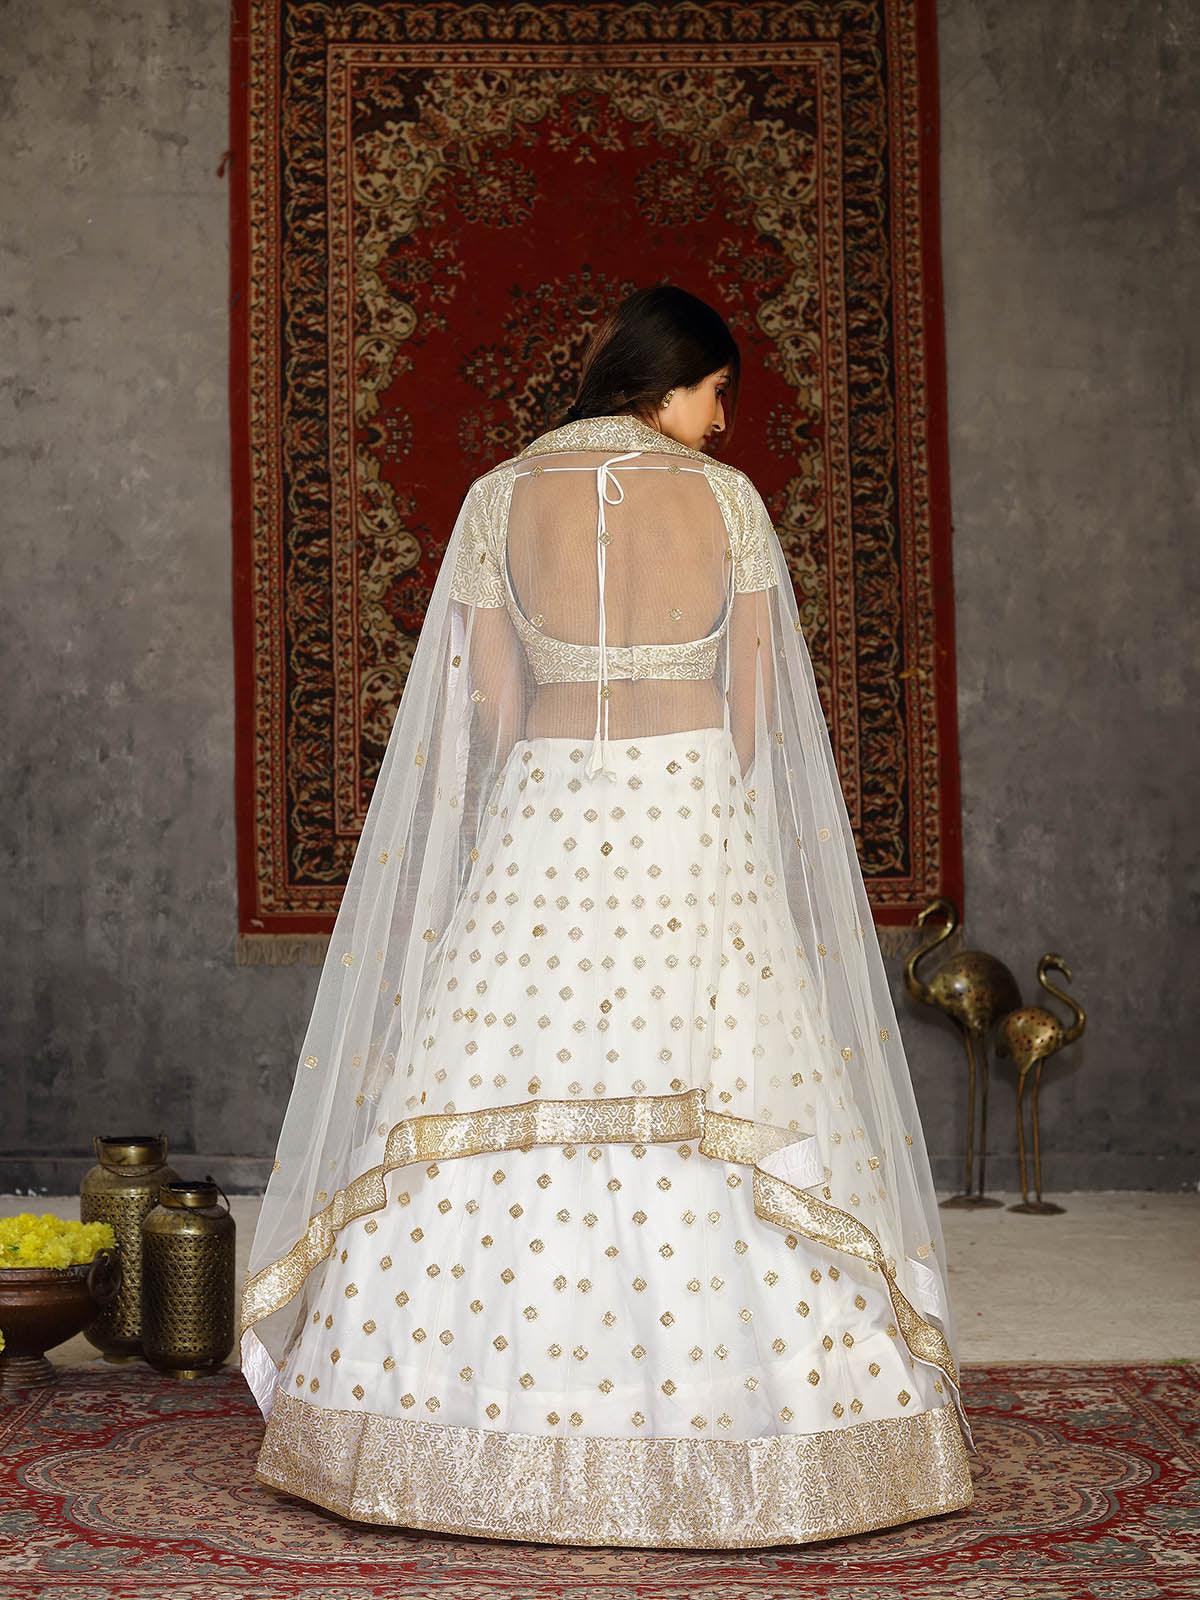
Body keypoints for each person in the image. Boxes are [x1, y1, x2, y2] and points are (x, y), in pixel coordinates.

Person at [238, 284, 976, 1547]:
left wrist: (556, 777)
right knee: (723, 1082)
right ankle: (769, 1433)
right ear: (668, 380)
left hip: (545, 807)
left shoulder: (498, 497)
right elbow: (756, 703)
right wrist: (693, 788)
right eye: (718, 391)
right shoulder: (728, 505)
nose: (723, 422)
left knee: (500, 1071)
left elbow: (488, 704)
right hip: (686, 806)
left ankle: (427, 1431)